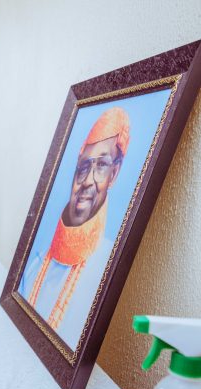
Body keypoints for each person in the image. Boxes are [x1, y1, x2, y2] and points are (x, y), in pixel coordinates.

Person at [19, 107, 130, 349]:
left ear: (114, 174)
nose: (88, 180)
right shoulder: (36, 263)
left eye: (101, 166)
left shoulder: (108, 266)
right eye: (84, 166)